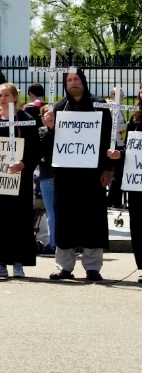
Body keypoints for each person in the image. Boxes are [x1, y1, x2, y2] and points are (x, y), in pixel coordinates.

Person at [42, 69, 116, 281]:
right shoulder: (57, 108)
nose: (73, 83)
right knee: (65, 219)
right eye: (69, 80)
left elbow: (108, 139)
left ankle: (92, 267)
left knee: (93, 219)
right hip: (65, 176)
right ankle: (64, 267)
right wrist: (49, 128)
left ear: (83, 81)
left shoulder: (99, 105)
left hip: (93, 175)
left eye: (76, 79)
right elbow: (48, 146)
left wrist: (108, 168)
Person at [0, 83, 43, 278]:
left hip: (20, 180)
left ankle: (18, 263)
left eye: (6, 95)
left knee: (19, 221)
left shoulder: (26, 120)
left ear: (15, 97)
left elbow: (35, 149)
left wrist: (23, 164)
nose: (2, 98)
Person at [126, 94, 142, 283]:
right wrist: (119, 154)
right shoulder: (135, 117)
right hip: (137, 182)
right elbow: (131, 148)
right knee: (138, 225)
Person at [106, 87, 128, 209]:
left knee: (118, 174)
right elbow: (112, 126)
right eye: (121, 95)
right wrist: (126, 125)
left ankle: (112, 200)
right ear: (113, 95)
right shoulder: (112, 106)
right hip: (114, 143)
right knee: (118, 174)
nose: (123, 97)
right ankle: (113, 200)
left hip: (118, 142)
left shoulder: (117, 106)